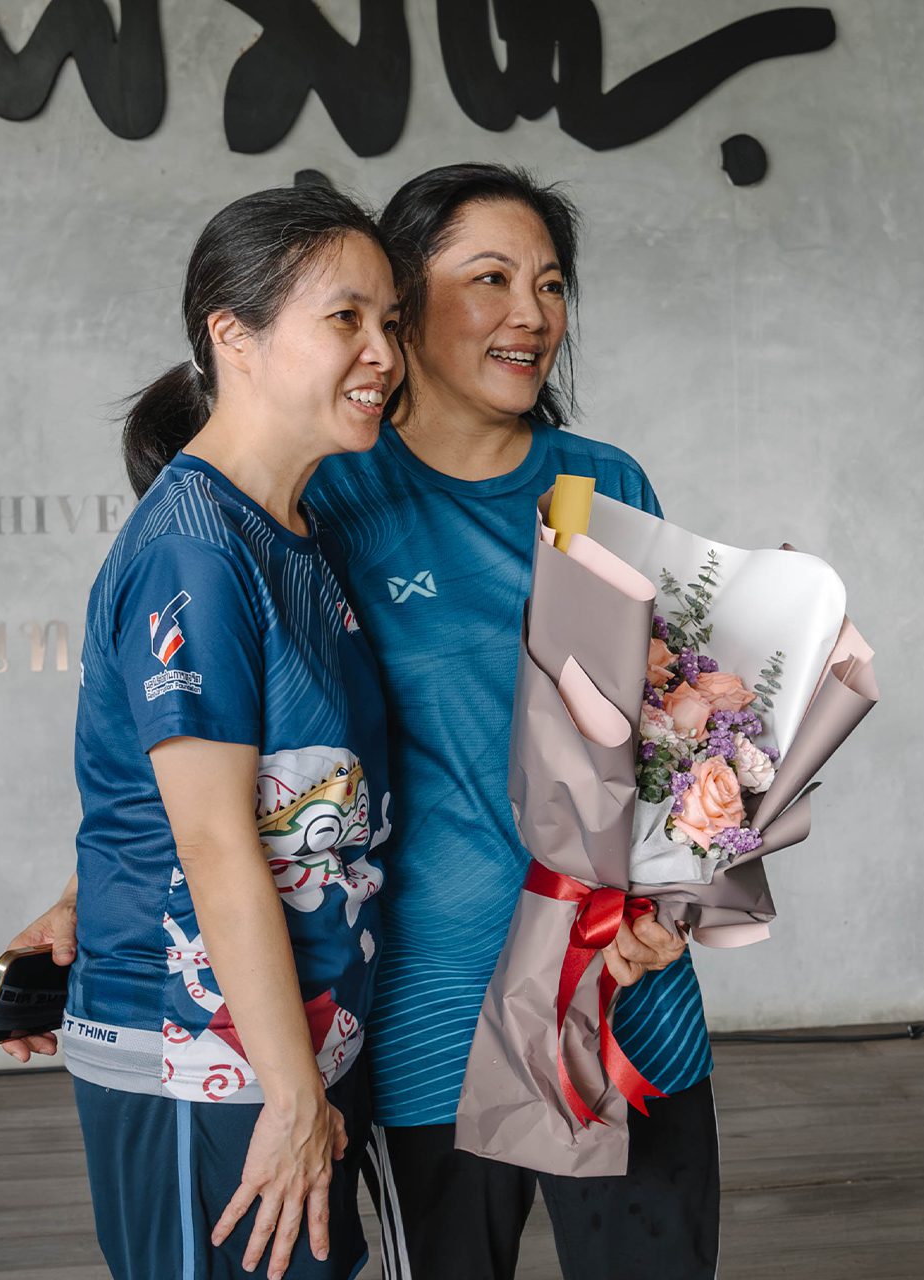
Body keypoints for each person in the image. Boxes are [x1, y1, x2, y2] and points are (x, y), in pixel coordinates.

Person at [302, 163, 719, 1279]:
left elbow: (678, 733)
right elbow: (249, 746)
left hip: (624, 996)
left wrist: (675, 900)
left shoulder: (605, 484)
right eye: (489, 279)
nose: (530, 312)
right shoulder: (336, 497)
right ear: (400, 302)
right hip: (434, 1013)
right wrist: (90, 890)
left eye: (549, 283)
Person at [1, 184, 402, 1280]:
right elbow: (214, 841)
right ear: (234, 334)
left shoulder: (297, 533)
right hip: (202, 1053)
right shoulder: (196, 548)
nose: (383, 352)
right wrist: (291, 1095)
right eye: (346, 317)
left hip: (290, 1043)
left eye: (390, 321)